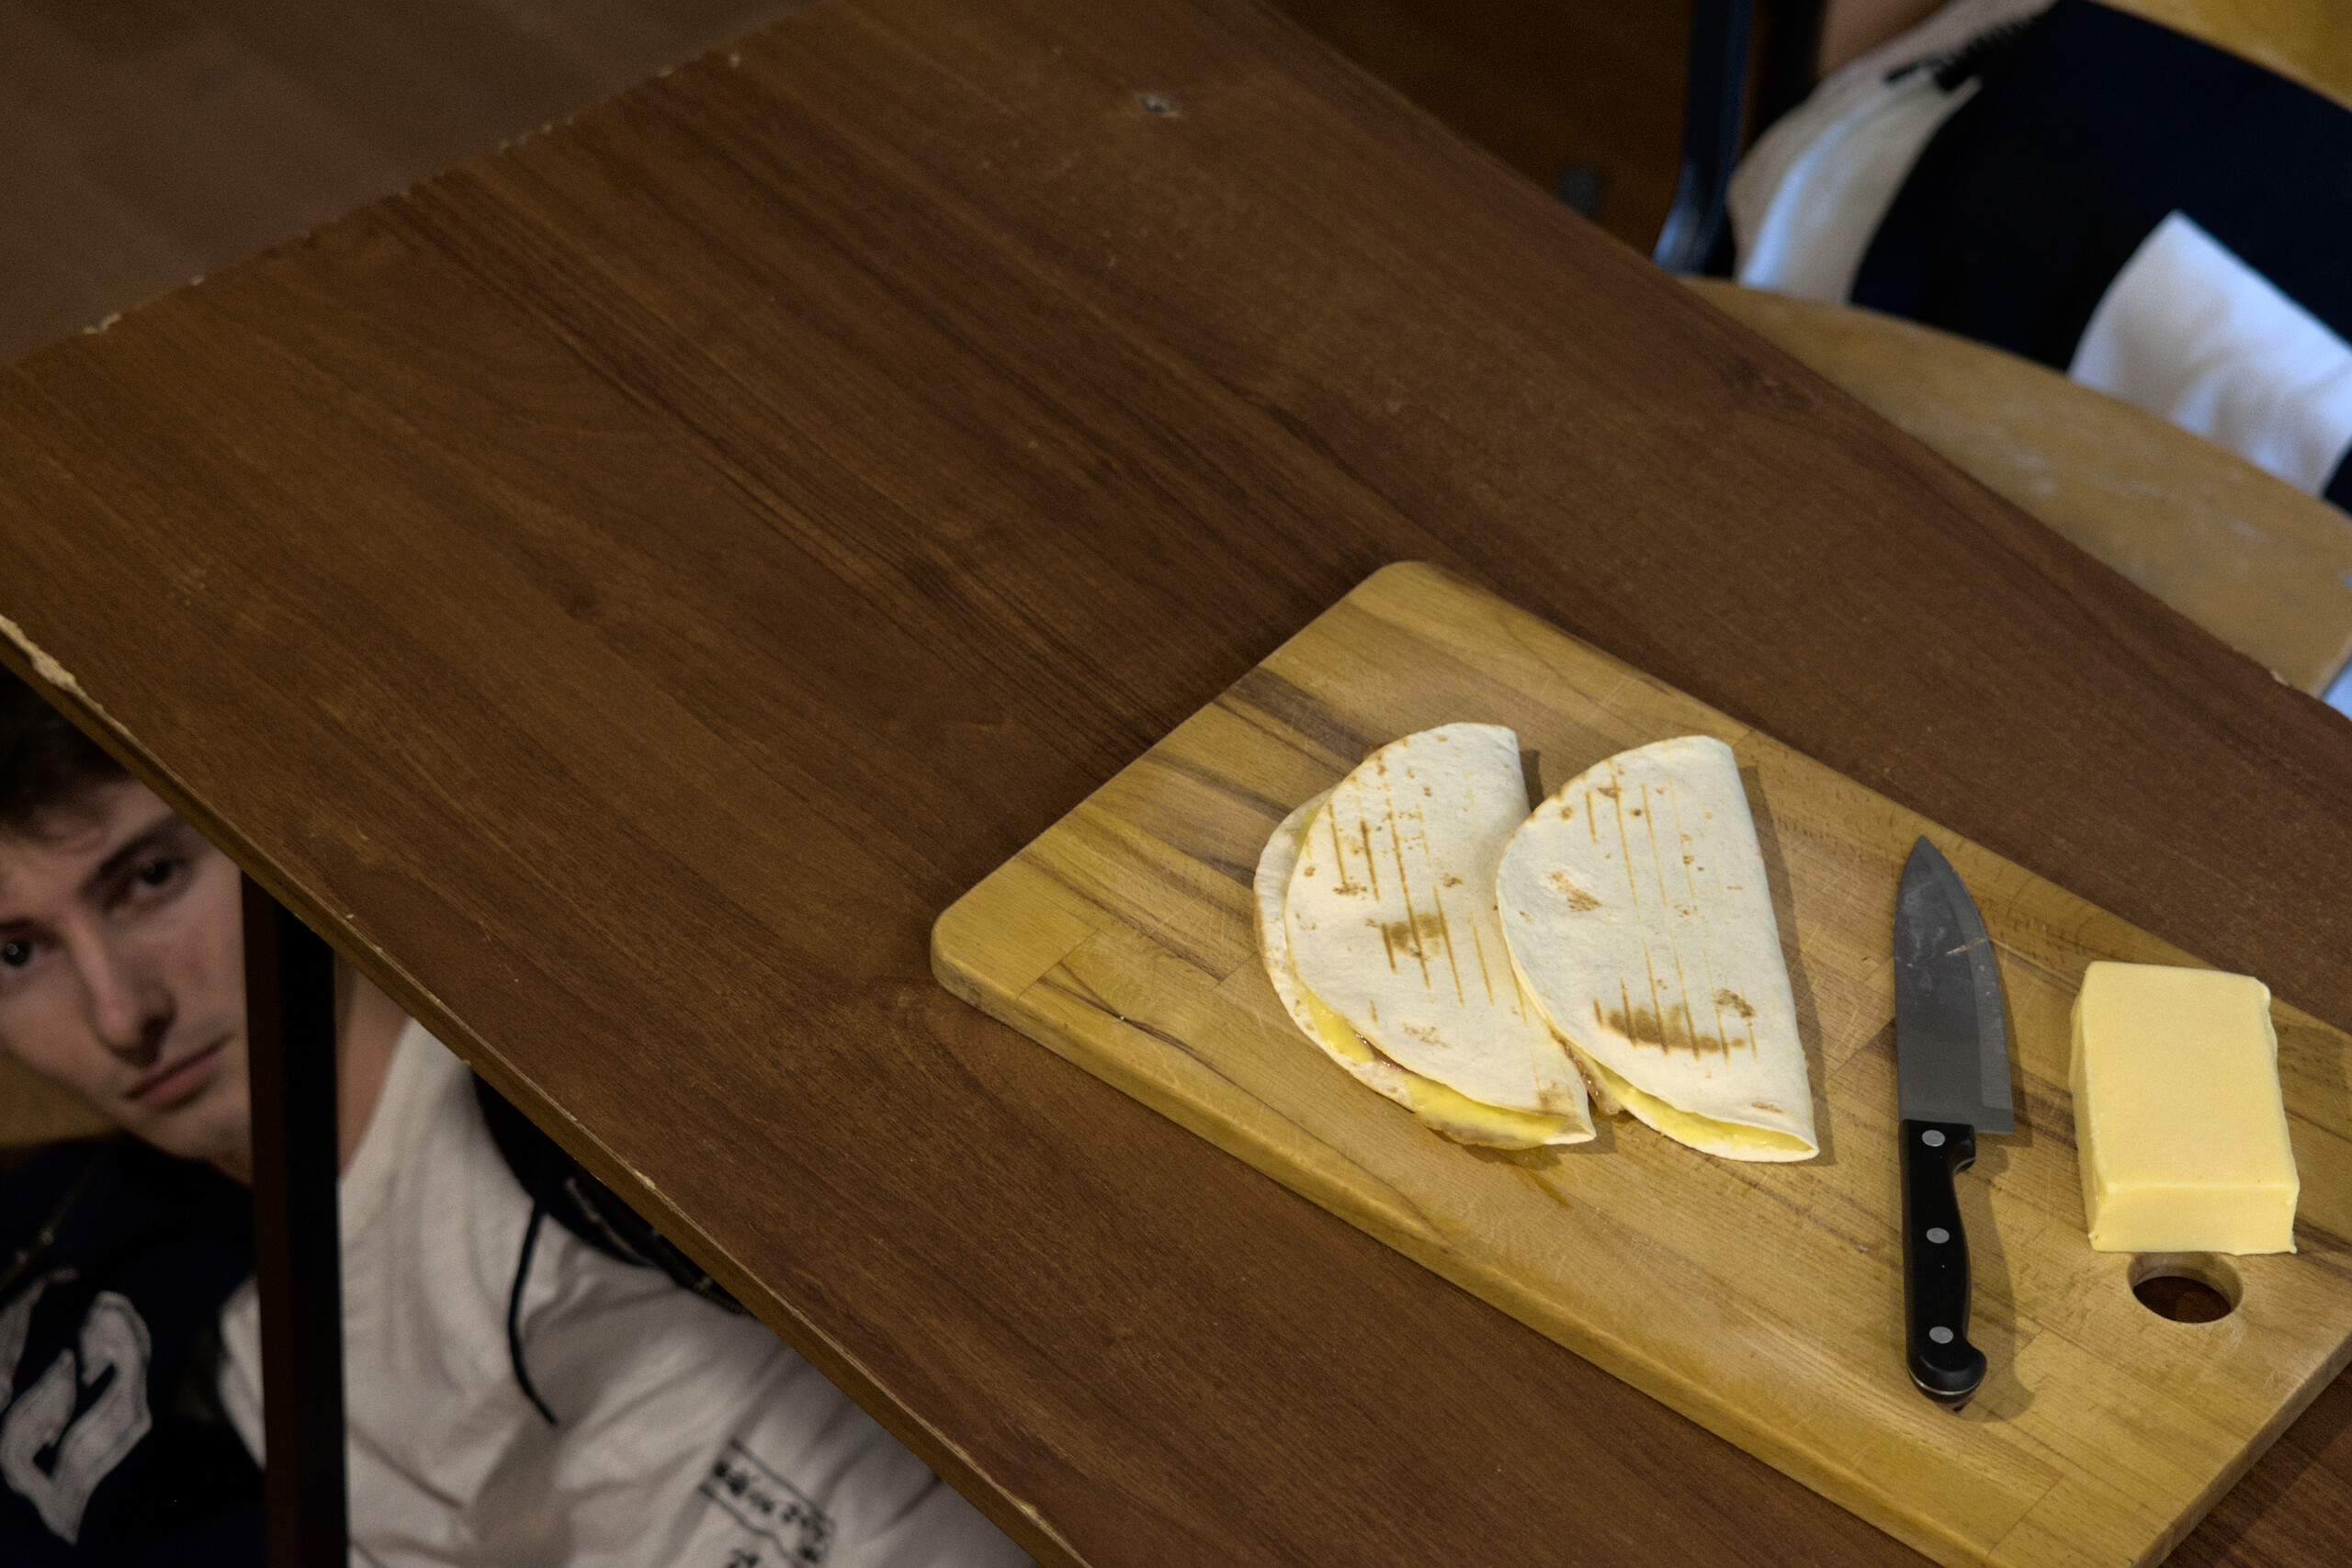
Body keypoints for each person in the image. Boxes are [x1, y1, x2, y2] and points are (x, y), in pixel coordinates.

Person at [0, 671, 1033, 1567]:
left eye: (151, 878)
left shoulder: (567, 1088)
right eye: (17, 952)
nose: (122, 1013)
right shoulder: (183, 1298)